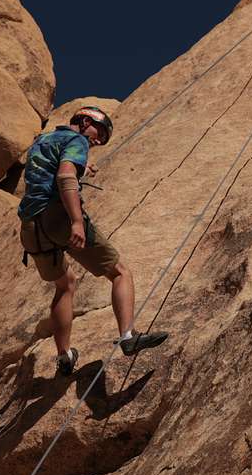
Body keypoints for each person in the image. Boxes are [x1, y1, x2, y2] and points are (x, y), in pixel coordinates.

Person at [19, 106, 168, 375]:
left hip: (32, 226)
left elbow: (48, 172)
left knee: (65, 285)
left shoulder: (43, 140)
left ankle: (64, 356)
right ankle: (128, 336)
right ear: (85, 121)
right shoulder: (76, 140)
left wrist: (82, 168)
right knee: (120, 272)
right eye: (98, 132)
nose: (97, 140)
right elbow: (64, 176)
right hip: (59, 217)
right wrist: (76, 221)